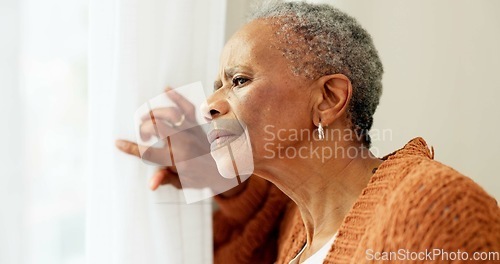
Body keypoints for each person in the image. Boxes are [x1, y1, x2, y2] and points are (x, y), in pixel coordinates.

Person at [116, 1, 500, 263]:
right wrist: (228, 180)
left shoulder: (433, 210)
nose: (208, 105)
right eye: (218, 84)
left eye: (239, 80)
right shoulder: (296, 230)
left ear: (328, 99)